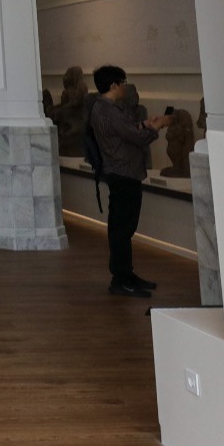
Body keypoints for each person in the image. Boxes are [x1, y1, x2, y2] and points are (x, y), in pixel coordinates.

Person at [86, 65, 171, 298]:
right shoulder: (108, 111)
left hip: (121, 173)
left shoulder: (103, 108)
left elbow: (126, 131)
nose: (125, 86)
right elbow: (136, 138)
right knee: (122, 229)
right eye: (123, 82)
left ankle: (126, 274)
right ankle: (121, 279)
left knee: (122, 227)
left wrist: (146, 124)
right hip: (123, 173)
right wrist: (158, 127)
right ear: (114, 85)